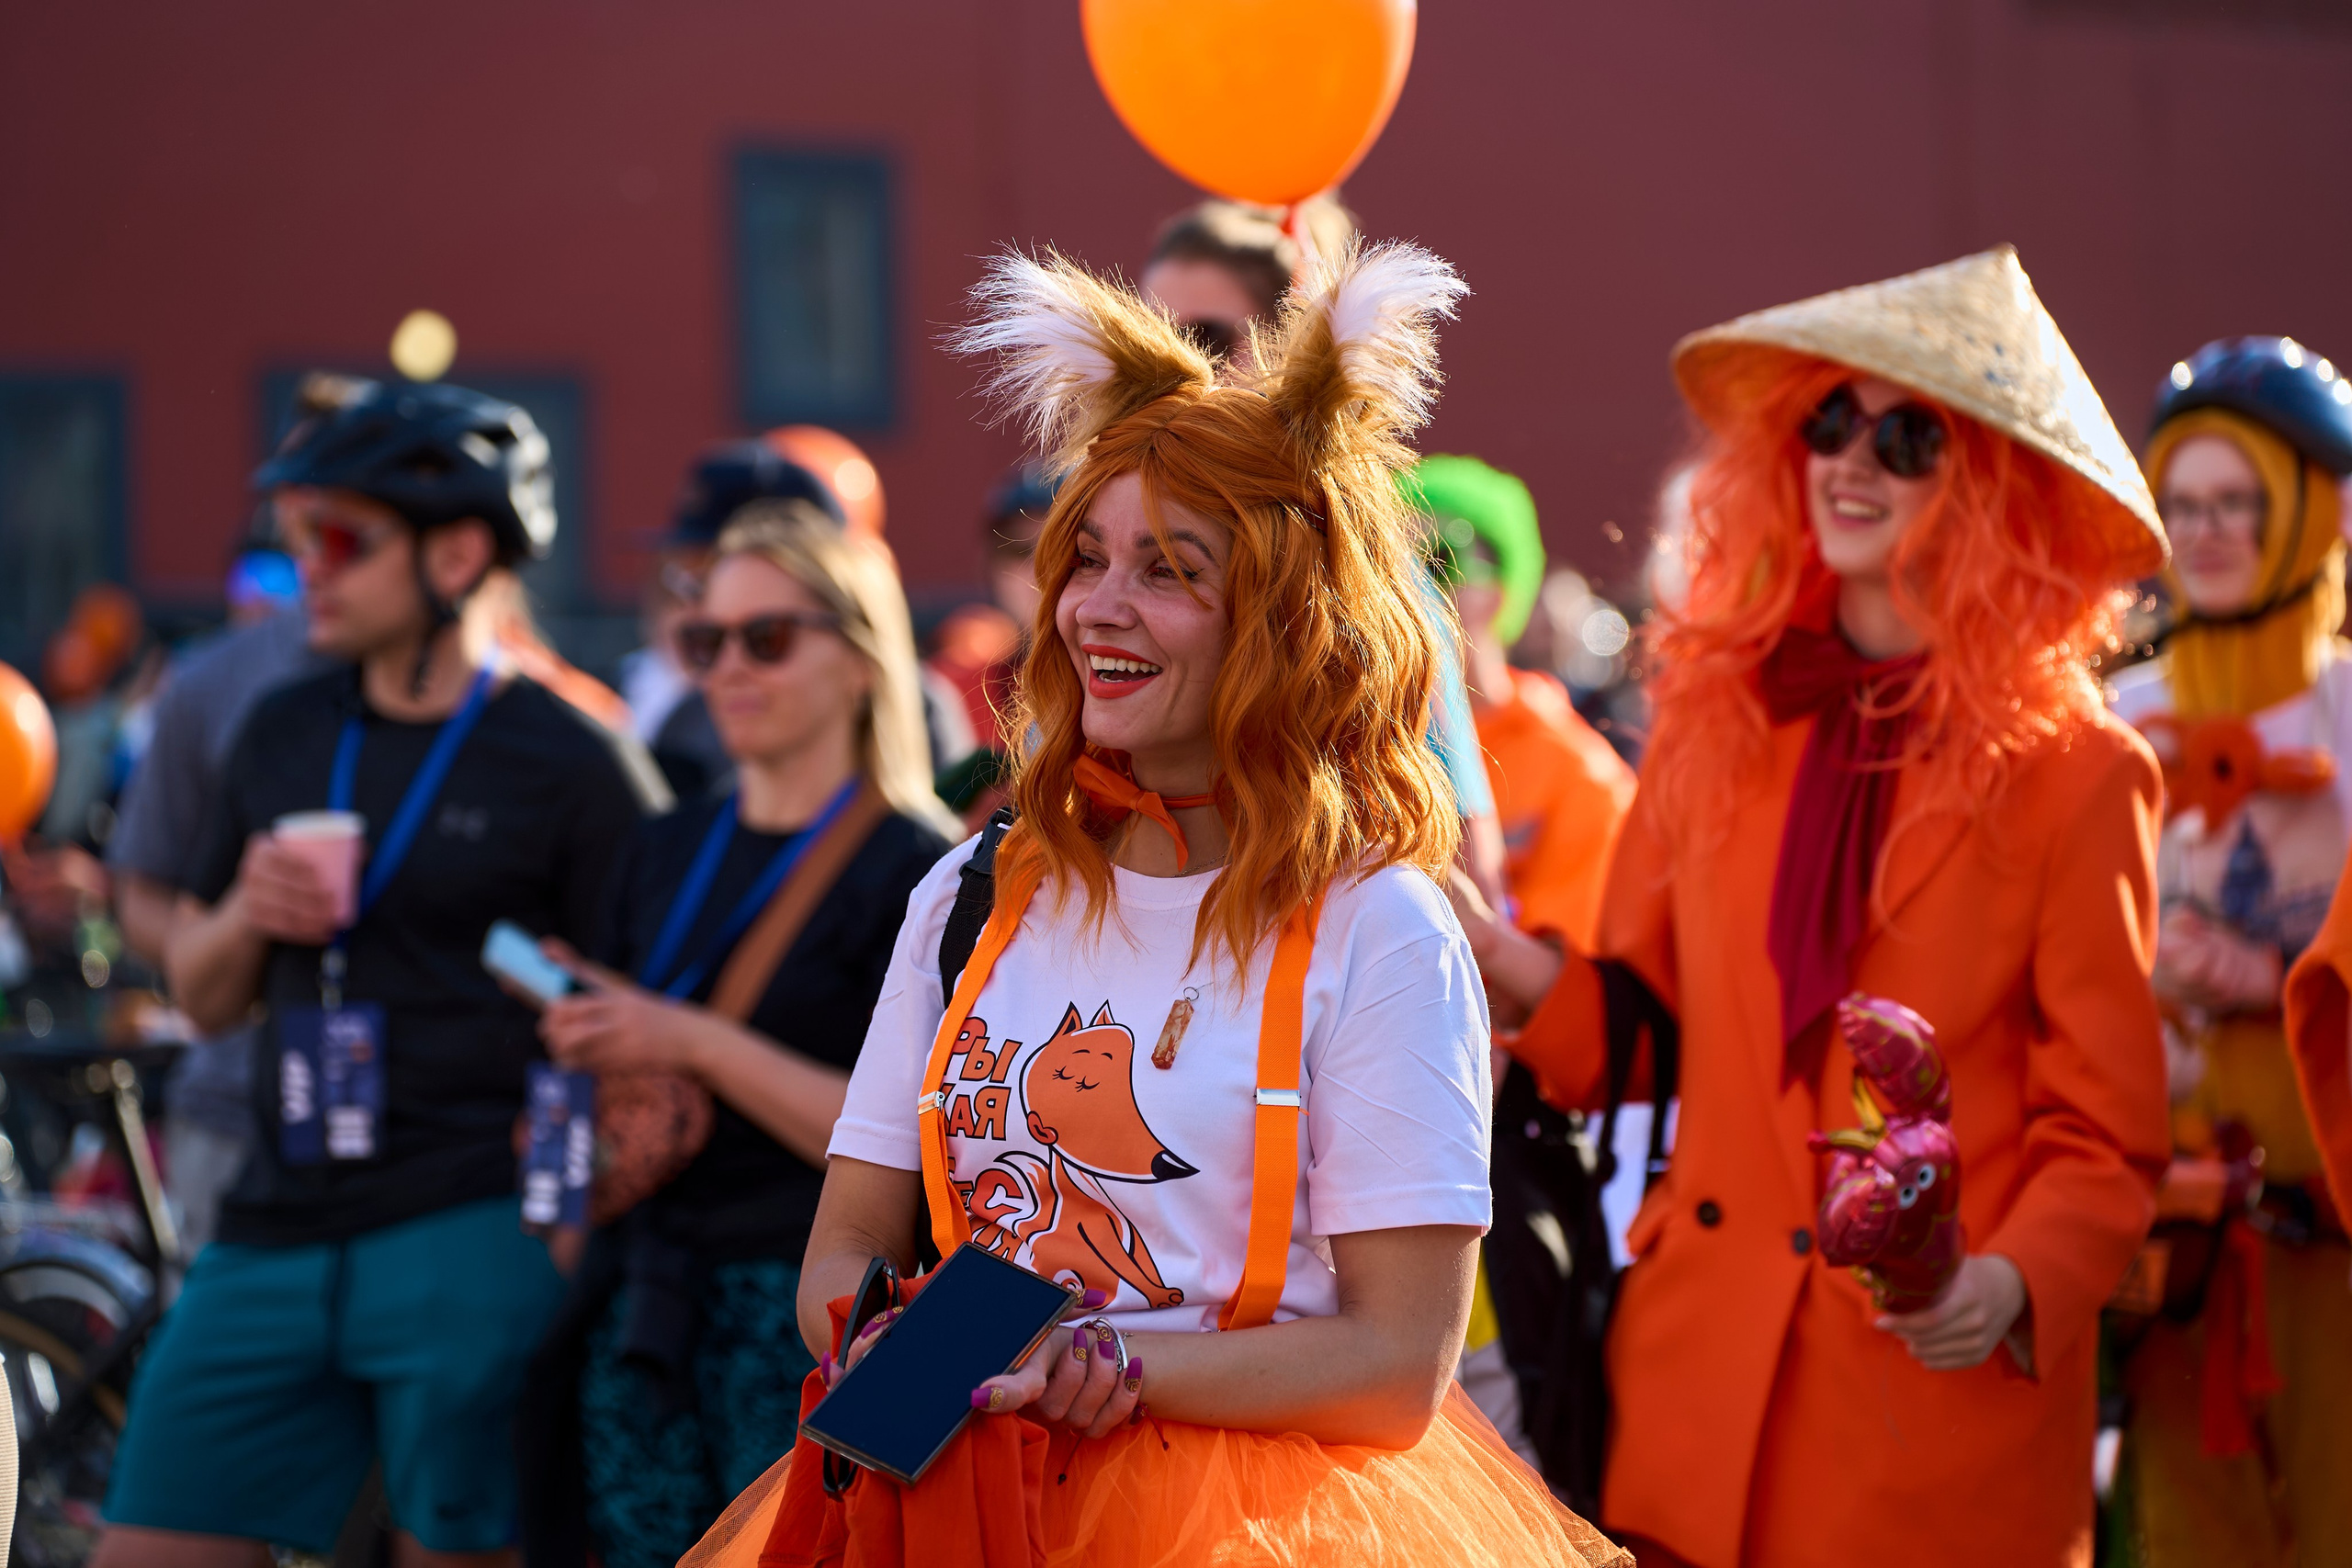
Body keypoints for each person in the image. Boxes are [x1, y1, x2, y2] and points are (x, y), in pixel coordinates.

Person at [689, 243, 1627, 1568]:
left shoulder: (1383, 928)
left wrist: (1105, 1359)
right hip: (951, 1495)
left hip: (1254, 1527)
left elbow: (1398, 1361)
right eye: (1090, 556)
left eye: (1171, 568)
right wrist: (897, 1334)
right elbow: (845, 1241)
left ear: (1285, 617)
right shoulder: (973, 890)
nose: (1096, 608)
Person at [1488, 248, 2172, 1567]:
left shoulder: (2082, 772)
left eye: (1911, 435)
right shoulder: (1713, 717)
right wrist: (1502, 958)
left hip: (1929, 1424)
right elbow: (1639, 1031)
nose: (1853, 463)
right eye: (1829, 422)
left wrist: (2007, 1281)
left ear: (1996, 484)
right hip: (1697, 1403)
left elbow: (2108, 1130)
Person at [96, 379, 663, 1568]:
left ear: (457, 552)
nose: (307, 566)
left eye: (342, 539)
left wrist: (549, 1235)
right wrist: (250, 904)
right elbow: (202, 996)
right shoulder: (285, 726)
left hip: (470, 1225)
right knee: (145, 1541)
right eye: (299, 537)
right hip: (271, 1219)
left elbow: (634, 1031)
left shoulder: (576, 760)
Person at [519, 501, 954, 1568]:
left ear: (860, 661)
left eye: (766, 638)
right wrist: (554, 1236)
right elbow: (575, 1080)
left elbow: (917, 1146)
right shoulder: (661, 843)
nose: (726, 669)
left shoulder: (923, 869)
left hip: (809, 1318)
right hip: (639, 1302)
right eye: (705, 640)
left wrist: (690, 1041)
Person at [2106, 335, 2352, 1567]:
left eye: (2238, 502)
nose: (2203, 533)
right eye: (2182, 504)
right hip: (2178, 1248)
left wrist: (2276, 980)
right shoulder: (2117, 715)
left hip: (2339, 1235)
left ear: (2309, 511)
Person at [1140, 197, 1508, 908]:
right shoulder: (1111, 559)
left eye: (1207, 339)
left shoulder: (1370, 577)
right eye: (1151, 345)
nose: (1177, 379)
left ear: (1288, 352)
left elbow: (1462, 852)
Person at [618, 440, 844, 801]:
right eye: (682, 571)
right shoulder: (680, 708)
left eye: (710, 571)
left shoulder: (912, 708)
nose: (687, 599)